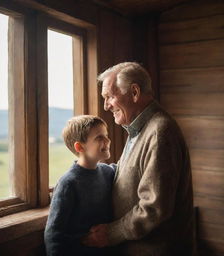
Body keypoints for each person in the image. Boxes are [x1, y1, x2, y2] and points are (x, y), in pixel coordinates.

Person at [83, 62, 194, 256]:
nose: (106, 105)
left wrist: (111, 233)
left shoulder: (160, 132)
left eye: (109, 96)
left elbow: (154, 208)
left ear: (134, 92)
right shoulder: (138, 129)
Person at [44, 115, 116, 256]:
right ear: (79, 147)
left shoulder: (108, 172)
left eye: (106, 135)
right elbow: (54, 233)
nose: (107, 140)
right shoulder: (68, 183)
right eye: (99, 138)